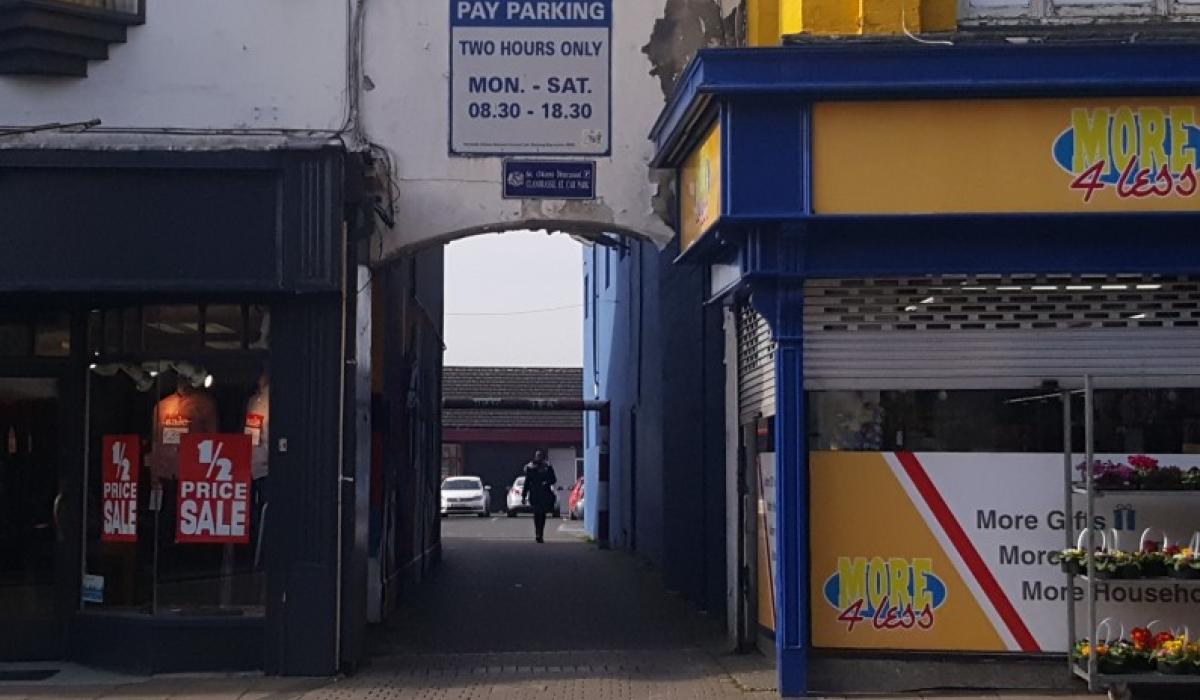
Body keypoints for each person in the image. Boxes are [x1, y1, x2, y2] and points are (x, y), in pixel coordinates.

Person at [521, 449, 557, 543]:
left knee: (542, 514)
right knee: (536, 514)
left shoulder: (547, 467)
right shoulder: (530, 467)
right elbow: (527, 482)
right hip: (534, 494)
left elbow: (553, 479)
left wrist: (546, 482)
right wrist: (523, 496)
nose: (538, 457)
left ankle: (541, 533)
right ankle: (537, 533)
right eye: (537, 455)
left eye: (540, 455)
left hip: (544, 493)